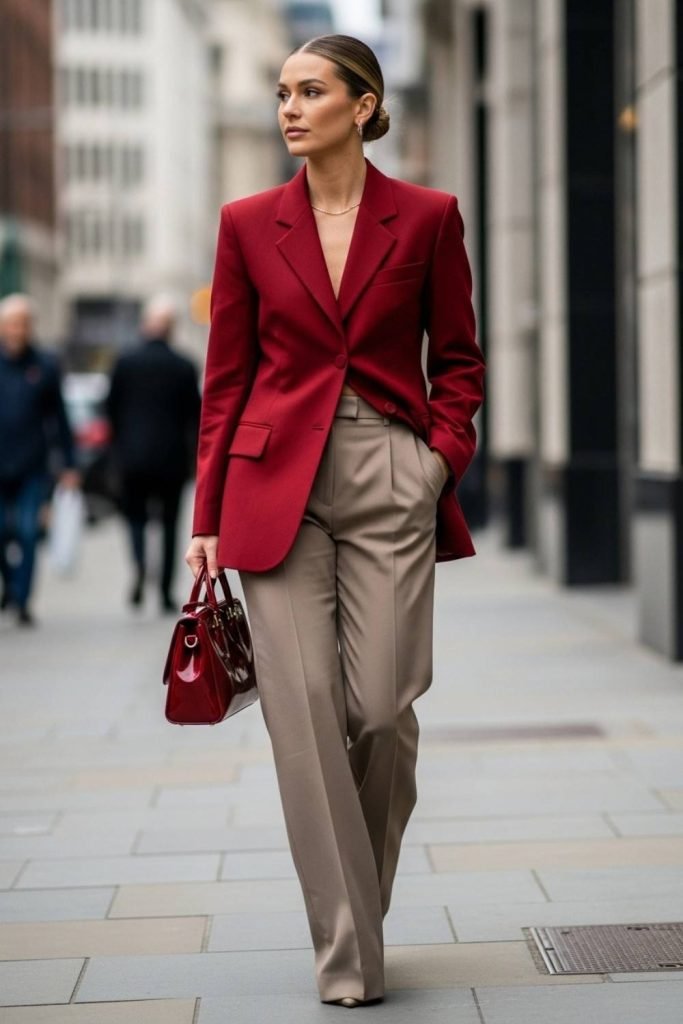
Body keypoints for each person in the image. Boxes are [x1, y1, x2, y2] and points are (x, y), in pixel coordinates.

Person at [186, 35, 485, 1007]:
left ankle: (354, 902)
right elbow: (225, 376)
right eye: (280, 92)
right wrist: (204, 514)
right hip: (271, 483)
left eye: (309, 91)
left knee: (383, 708)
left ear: (361, 106)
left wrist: (436, 456)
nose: (287, 107)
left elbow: (460, 359)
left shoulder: (429, 217)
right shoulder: (244, 224)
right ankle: (351, 952)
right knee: (304, 714)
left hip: (389, 469)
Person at [107, 295, 200, 612]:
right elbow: (196, 417)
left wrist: (118, 446)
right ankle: (163, 592)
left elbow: (111, 409)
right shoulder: (184, 365)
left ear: (146, 325)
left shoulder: (125, 361)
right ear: (172, 328)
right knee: (171, 525)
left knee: (135, 518)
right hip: (172, 459)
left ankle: (139, 565)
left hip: (132, 457)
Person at [0, 293, 80, 626]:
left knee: (30, 532)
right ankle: (10, 585)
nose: (18, 330)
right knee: (3, 532)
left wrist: (70, 465)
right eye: (12, 324)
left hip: (33, 464)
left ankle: (21, 599)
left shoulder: (45, 365)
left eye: (23, 323)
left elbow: (60, 419)